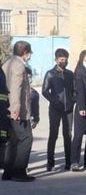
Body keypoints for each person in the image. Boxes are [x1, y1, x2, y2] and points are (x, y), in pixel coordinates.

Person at [1, 41, 35, 181]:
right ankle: (19, 171)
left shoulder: (7, 63)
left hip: (6, 108)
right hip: (17, 110)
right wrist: (16, 108)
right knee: (26, 138)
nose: (30, 55)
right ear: (24, 52)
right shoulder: (19, 65)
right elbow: (16, 88)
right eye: (29, 52)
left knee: (13, 140)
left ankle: (8, 172)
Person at [42, 48, 75, 171]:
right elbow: (44, 91)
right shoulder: (50, 74)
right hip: (55, 109)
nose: (64, 61)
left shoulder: (70, 74)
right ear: (56, 60)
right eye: (61, 59)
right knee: (53, 135)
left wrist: (74, 99)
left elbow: (74, 89)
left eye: (66, 60)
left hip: (68, 109)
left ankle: (68, 162)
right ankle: (50, 162)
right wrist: (54, 100)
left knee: (68, 135)